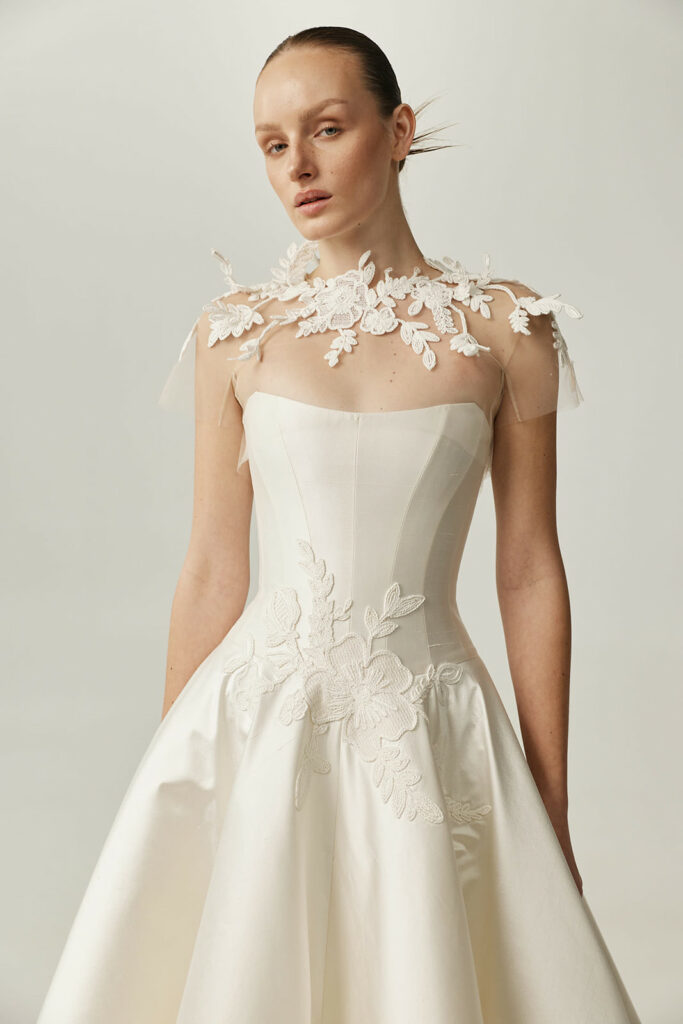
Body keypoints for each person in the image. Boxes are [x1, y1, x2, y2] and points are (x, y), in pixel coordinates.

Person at [36, 25, 643, 1024]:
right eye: (273, 144)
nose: (298, 167)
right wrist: (170, 778)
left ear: (396, 129)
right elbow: (210, 567)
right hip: (258, 719)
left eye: (325, 128)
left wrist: (551, 798)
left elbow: (528, 568)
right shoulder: (234, 336)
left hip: (432, 724)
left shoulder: (506, 327)